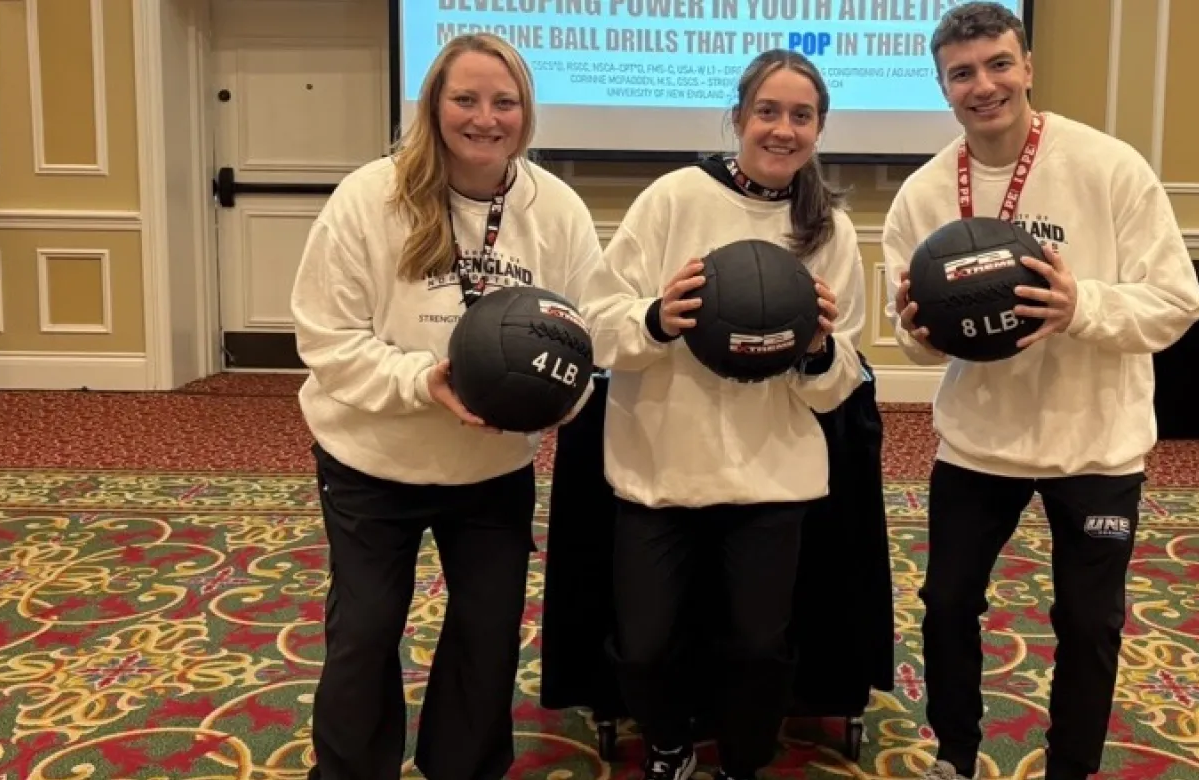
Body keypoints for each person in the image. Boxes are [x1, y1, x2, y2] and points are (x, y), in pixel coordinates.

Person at [287, 32, 662, 780]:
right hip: (371, 459)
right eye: (465, 99)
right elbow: (326, 340)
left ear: (526, 112)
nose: (485, 118)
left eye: (504, 102)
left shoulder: (554, 208)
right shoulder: (369, 198)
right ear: (434, 105)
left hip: (491, 467)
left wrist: (554, 402)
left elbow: (585, 330)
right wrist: (423, 381)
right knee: (364, 630)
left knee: (487, 635)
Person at [881, 4, 1199, 779]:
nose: (984, 85)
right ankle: (955, 754)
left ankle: (1072, 768)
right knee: (947, 605)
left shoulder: (1110, 168)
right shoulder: (923, 195)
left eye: (999, 64)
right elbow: (911, 338)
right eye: (962, 73)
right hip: (980, 442)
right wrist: (920, 335)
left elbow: (1178, 301)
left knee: (1090, 622)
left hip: (1096, 442)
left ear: (1028, 66)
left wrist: (1079, 306)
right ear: (943, 87)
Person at [598, 48, 869, 780]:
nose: (783, 129)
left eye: (802, 116)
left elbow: (840, 382)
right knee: (645, 645)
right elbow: (596, 323)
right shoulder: (672, 199)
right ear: (739, 117)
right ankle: (668, 745)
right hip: (660, 469)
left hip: (771, 477)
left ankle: (743, 761)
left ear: (819, 129)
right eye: (768, 112)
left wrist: (817, 350)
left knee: (757, 645)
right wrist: (655, 319)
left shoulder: (831, 230)